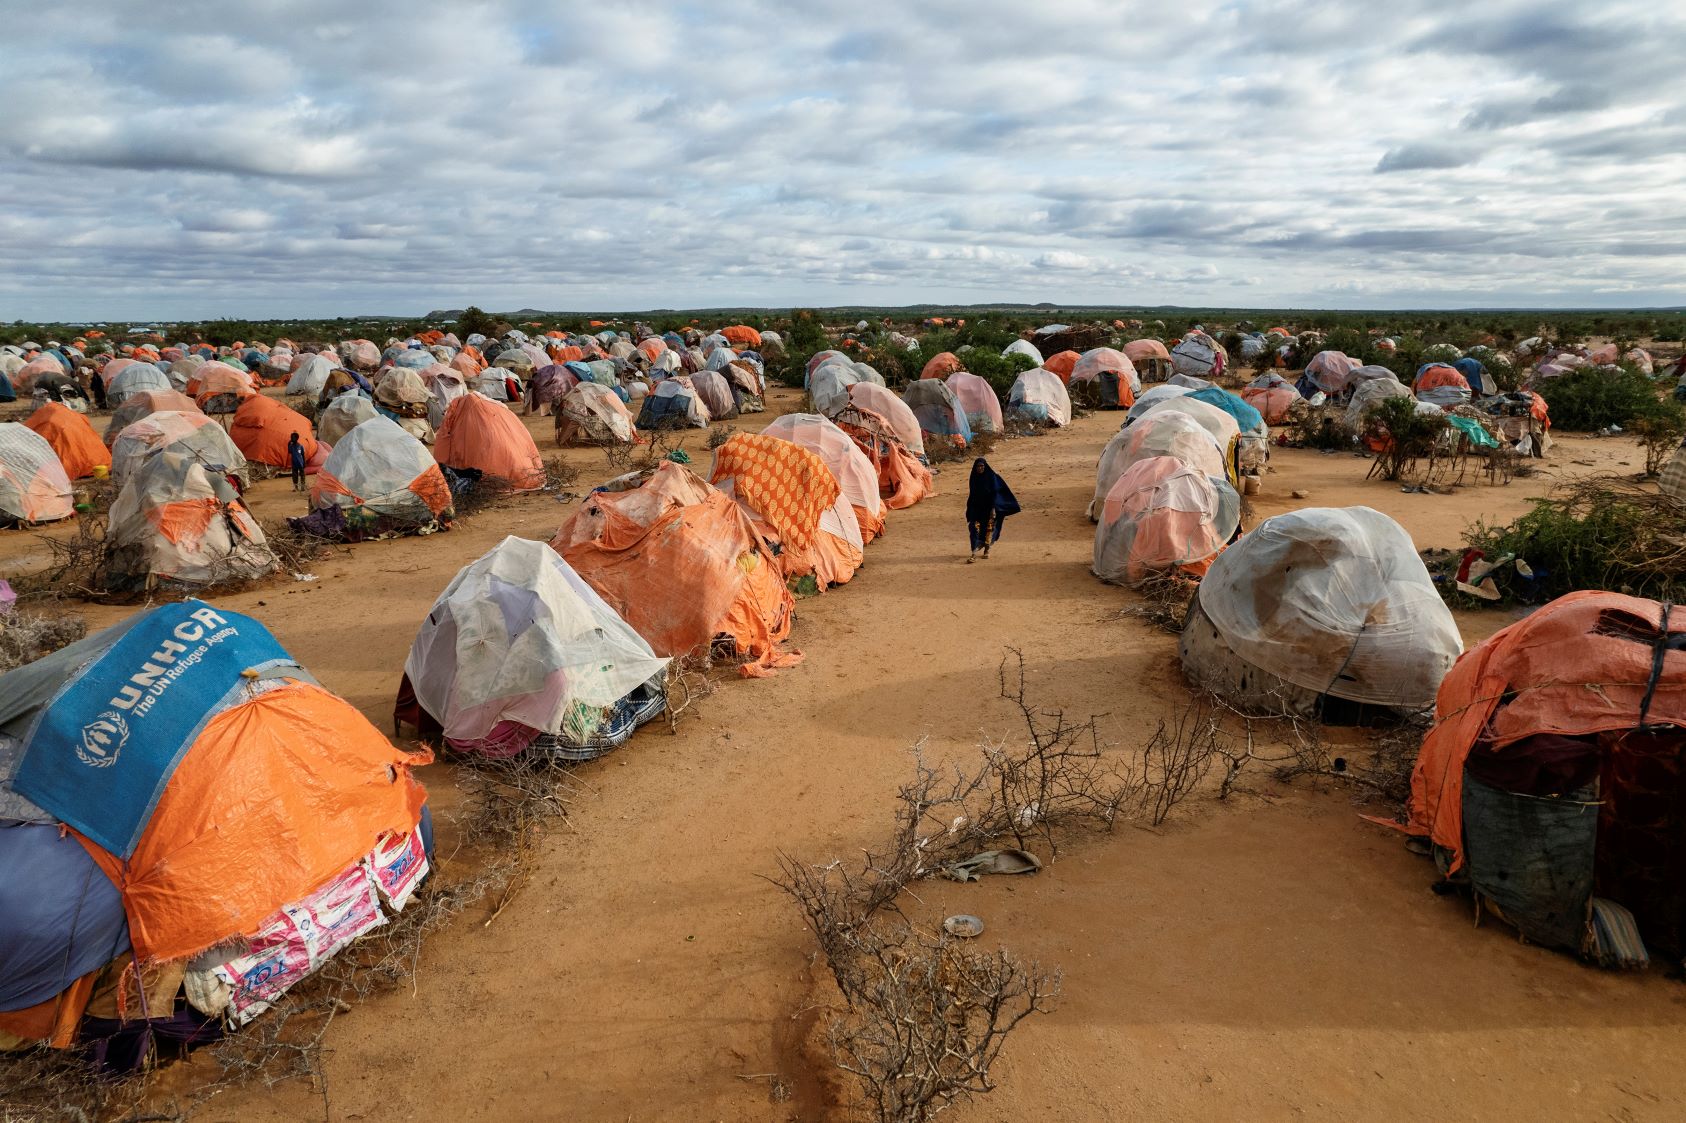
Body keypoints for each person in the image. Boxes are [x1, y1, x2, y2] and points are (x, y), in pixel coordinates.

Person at [965, 457, 1019, 563]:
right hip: (976, 508)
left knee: (989, 529)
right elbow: (972, 494)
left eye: (982, 466)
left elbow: (996, 494)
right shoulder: (973, 478)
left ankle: (987, 549)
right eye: (978, 466)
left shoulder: (992, 477)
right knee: (973, 528)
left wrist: (994, 509)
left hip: (989, 509)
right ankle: (974, 553)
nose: (980, 468)